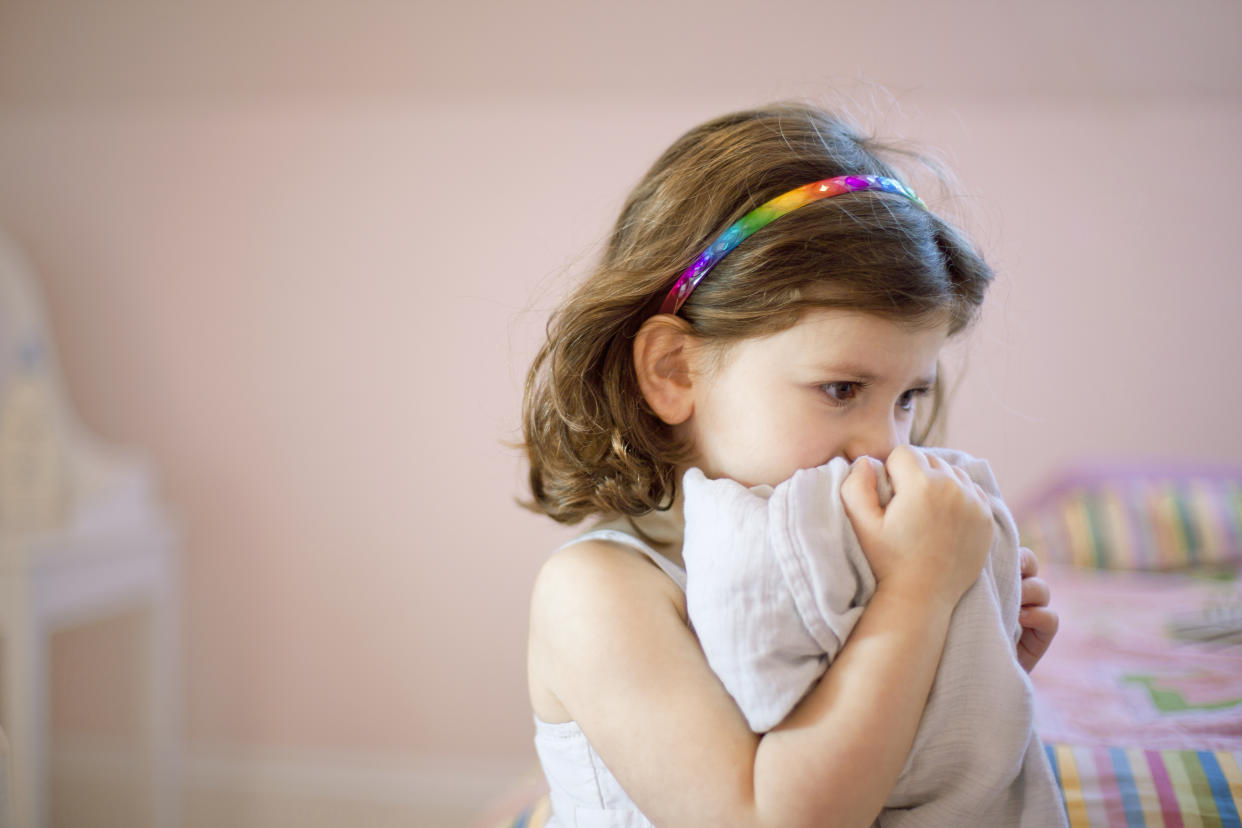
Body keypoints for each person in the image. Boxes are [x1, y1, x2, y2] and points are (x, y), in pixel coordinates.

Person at [521, 101, 1060, 828]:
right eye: (841, 390)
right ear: (675, 370)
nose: (888, 445)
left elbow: (865, 766)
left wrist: (971, 662)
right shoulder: (600, 592)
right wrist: (921, 596)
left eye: (907, 397)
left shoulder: (833, 555)